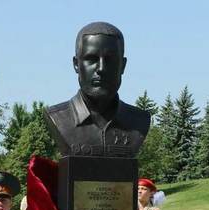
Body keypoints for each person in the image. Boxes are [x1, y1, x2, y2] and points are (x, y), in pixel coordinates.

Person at [44, 21, 150, 158]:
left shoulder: (139, 121)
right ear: (76, 64)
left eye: (110, 60)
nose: (101, 68)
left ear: (122, 66)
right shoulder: (58, 118)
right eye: (91, 59)